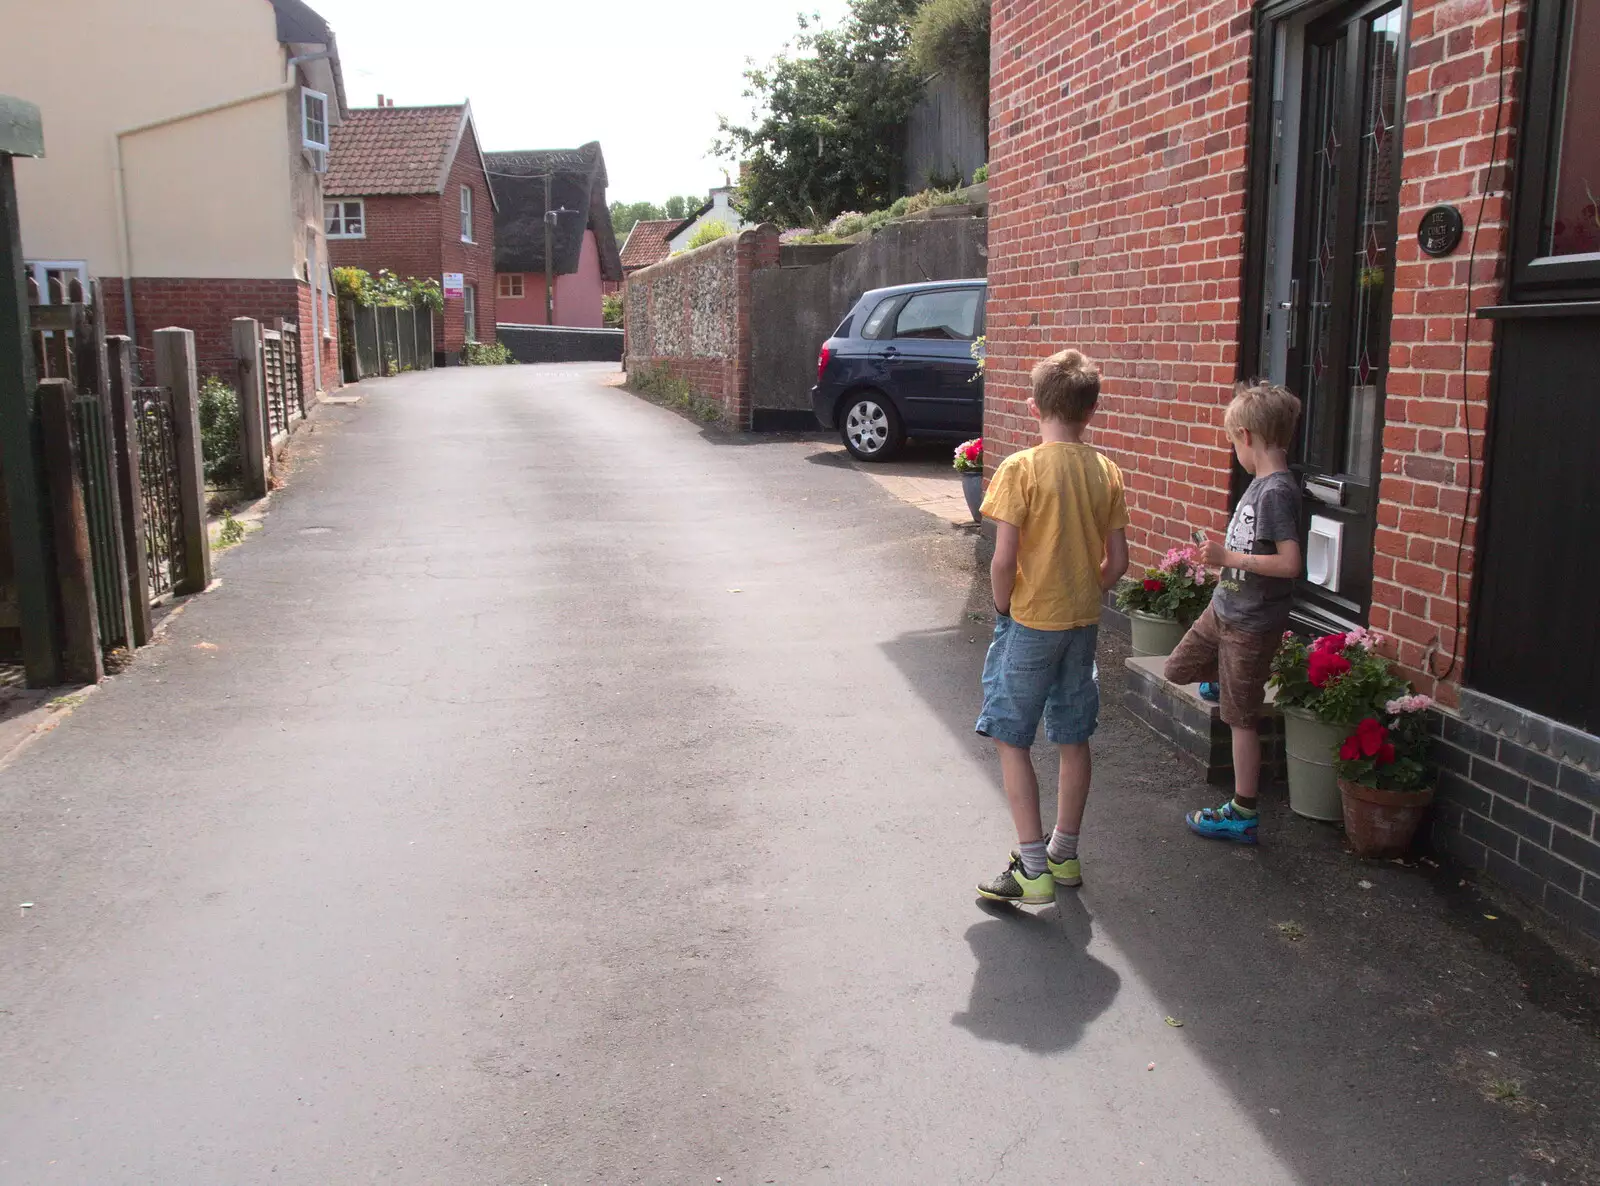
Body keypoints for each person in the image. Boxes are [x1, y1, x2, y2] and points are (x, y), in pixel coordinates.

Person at [974, 349, 1130, 904]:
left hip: (1029, 621)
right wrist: (1089, 590)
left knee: (1010, 735)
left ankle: (1031, 866)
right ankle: (1064, 854)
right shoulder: (1105, 471)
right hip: (1082, 622)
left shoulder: (1020, 469)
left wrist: (1002, 607)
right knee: (1072, 736)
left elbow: (1002, 557)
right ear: (1092, 408)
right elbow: (1118, 562)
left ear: (1035, 405)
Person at [1165, 381, 1304, 844]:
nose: (1234, 451)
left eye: (1232, 441)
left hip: (1251, 622)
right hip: (1223, 608)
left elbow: (1289, 564)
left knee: (1240, 718)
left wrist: (1229, 559)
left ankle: (1242, 812)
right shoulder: (1260, 484)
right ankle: (1226, 680)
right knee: (1177, 667)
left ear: (1246, 436)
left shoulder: (1276, 493)